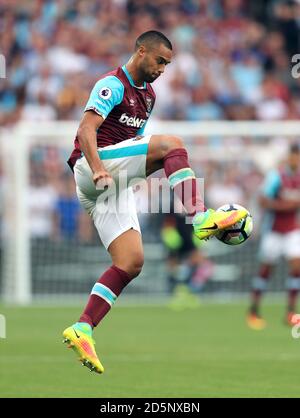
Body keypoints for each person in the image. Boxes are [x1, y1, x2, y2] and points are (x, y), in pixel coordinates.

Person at [62, 30, 247, 373]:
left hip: (112, 183)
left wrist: (132, 177)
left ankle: (83, 326)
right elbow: (87, 130)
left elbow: (133, 146)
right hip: (93, 167)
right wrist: (101, 170)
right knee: (171, 143)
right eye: (160, 61)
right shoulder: (113, 83)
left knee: (131, 262)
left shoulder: (149, 97)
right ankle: (200, 217)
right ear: (141, 51)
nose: (163, 69)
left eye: (168, 64)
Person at [247, 143, 300, 330]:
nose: (296, 159)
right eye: (294, 155)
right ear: (289, 156)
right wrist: (287, 206)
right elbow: (262, 200)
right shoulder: (276, 176)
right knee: (266, 270)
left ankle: (291, 312)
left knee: (297, 267)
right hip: (274, 230)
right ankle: (253, 310)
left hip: (293, 230)